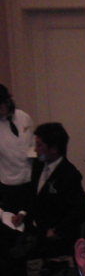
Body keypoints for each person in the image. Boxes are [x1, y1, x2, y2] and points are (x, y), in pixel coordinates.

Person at [16, 122, 85, 259]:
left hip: (56, 240)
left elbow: (81, 210)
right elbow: (33, 195)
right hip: (36, 232)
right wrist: (23, 213)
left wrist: (57, 230)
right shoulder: (38, 165)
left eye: (39, 145)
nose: (35, 150)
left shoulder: (69, 174)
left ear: (54, 149)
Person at [0, 84, 35, 214]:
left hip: (30, 178)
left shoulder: (23, 117)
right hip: (9, 183)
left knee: (31, 216)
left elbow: (33, 143)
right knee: (12, 220)